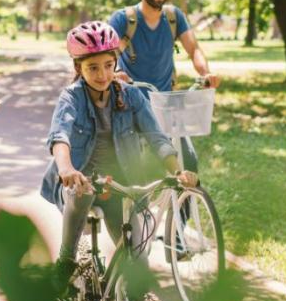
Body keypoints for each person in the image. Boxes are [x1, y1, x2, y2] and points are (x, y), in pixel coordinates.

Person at [41, 21, 197, 283]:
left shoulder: (131, 96)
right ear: (78, 68)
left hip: (120, 185)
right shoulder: (71, 97)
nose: (102, 74)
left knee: (138, 263)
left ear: (115, 63)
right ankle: (66, 259)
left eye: (108, 65)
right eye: (92, 67)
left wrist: (178, 171)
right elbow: (61, 136)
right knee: (82, 191)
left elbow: (156, 137)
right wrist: (66, 169)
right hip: (82, 180)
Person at [108, 0, 219, 171]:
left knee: (188, 163)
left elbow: (193, 48)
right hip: (132, 103)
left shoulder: (174, 17)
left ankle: (185, 204)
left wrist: (206, 73)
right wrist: (117, 71)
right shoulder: (124, 19)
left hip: (166, 103)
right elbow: (109, 54)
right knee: (135, 169)